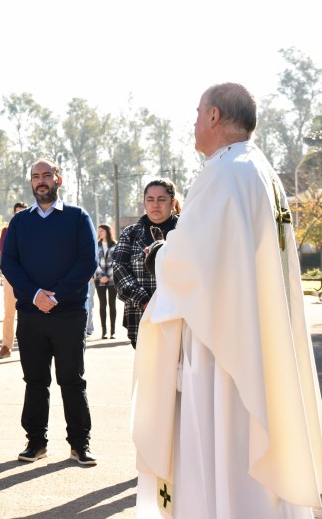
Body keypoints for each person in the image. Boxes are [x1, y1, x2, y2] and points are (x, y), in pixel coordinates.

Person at [132, 83, 322, 518]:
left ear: (215, 116)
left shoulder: (223, 172)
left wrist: (161, 253)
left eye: (198, 113)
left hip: (223, 352)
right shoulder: (259, 170)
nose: (194, 122)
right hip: (251, 337)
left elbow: (193, 263)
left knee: (223, 453)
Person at [1, 158, 98, 466]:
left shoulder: (78, 217)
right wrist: (34, 295)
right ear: (31, 183)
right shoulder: (20, 223)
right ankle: (36, 442)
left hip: (68, 314)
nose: (40, 180)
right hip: (31, 315)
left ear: (59, 178)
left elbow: (87, 261)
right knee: (35, 380)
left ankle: (79, 444)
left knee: (71, 380)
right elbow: (9, 264)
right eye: (35, 176)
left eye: (46, 175)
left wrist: (55, 296)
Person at [112, 179, 179, 349]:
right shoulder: (131, 234)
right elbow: (120, 270)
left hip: (180, 314)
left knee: (182, 372)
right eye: (150, 200)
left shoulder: (185, 231)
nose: (155, 204)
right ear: (144, 203)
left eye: (161, 199)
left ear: (172, 202)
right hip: (141, 314)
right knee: (148, 371)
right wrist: (144, 301)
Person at [0, 202, 27, 359]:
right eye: (17, 212)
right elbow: (5, 253)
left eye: (23, 211)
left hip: (31, 277)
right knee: (9, 313)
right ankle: (6, 347)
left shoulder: (34, 229)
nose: (19, 214)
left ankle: (29, 346)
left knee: (30, 314)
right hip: (11, 277)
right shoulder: (7, 231)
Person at [94, 224, 117, 339]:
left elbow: (117, 262)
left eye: (102, 231)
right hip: (99, 279)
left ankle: (113, 331)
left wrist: (108, 275)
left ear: (108, 232)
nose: (100, 233)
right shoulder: (96, 245)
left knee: (112, 304)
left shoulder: (115, 245)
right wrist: (102, 275)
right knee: (102, 304)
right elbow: (94, 262)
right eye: (99, 231)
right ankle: (104, 331)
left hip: (112, 279)